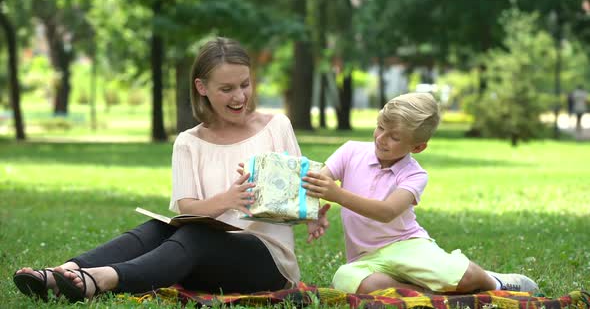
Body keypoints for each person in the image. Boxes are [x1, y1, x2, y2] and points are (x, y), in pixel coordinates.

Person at [13, 37, 330, 303]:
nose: (239, 97)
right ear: (201, 87)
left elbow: (299, 192)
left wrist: (313, 211)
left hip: (267, 262)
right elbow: (187, 207)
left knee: (195, 235)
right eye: (227, 88)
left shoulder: (276, 127)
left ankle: (100, 280)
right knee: (156, 229)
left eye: (245, 85)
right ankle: (60, 272)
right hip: (203, 256)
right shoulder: (188, 142)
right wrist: (229, 199)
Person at [302, 92, 538, 294]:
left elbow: (387, 212)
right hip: (366, 259)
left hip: (407, 246)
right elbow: (317, 182)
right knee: (344, 279)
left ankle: (494, 281)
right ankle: (423, 292)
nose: (381, 139)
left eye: (394, 137)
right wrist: (313, 214)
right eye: (380, 128)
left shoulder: (414, 175)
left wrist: (338, 195)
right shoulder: (351, 151)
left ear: (418, 147)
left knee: (463, 277)